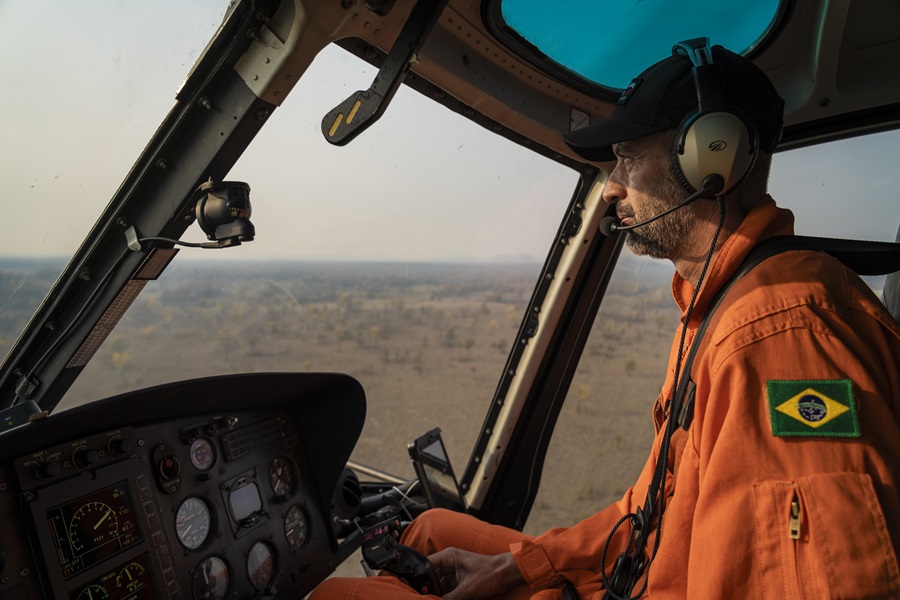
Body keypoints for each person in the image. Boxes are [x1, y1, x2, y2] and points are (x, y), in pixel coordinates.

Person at [311, 41, 900, 599]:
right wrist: (518, 567)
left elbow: (827, 579)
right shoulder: (717, 306)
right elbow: (647, 513)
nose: (609, 190)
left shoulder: (779, 337)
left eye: (626, 159)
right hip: (640, 574)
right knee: (433, 530)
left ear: (708, 158)